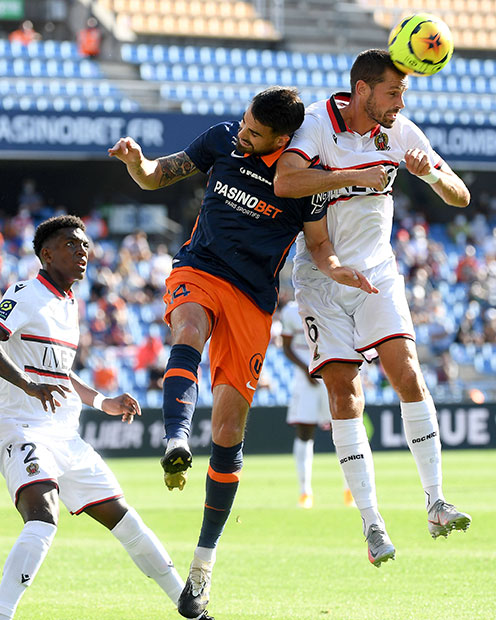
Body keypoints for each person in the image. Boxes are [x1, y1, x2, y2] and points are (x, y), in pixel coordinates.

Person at [109, 86, 373, 619]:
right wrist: (139, 164)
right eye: (245, 124)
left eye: (255, 132)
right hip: (199, 270)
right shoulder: (223, 137)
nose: (242, 133)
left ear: (282, 138)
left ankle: (201, 570)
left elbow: (319, 246)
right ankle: (177, 436)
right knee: (185, 328)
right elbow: (160, 174)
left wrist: (337, 267)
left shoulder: (305, 180)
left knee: (229, 432)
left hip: (253, 301)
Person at [273, 49, 473, 567]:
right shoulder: (317, 122)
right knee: (345, 392)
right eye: (393, 92)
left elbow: (460, 196)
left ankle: (435, 502)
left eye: (403, 94)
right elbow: (287, 182)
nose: (400, 102)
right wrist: (354, 178)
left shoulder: (403, 130)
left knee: (408, 373)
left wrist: (430, 174)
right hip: (320, 276)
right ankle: (372, 524)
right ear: (363, 89)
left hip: (378, 270)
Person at [0, 215, 207, 620]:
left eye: (84, 245)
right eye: (71, 245)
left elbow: (60, 373)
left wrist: (103, 402)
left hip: (65, 434)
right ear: (46, 254)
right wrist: (28, 385)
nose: (83, 252)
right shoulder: (26, 293)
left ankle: (194, 612)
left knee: (126, 520)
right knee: (43, 518)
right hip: (21, 426)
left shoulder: (69, 303)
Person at [279, 295, 352, 509]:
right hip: (305, 379)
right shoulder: (291, 312)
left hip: (331, 371)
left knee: (342, 429)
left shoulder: (333, 304)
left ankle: (350, 489)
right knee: (304, 431)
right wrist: (306, 370)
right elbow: (286, 347)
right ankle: (305, 492)